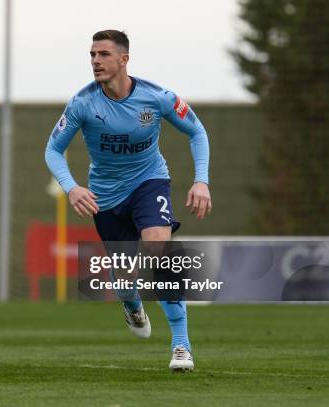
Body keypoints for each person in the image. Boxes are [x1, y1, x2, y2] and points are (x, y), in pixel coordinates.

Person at [45, 30, 211, 371]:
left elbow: (197, 131)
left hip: (150, 182)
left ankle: (181, 345)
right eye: (92, 54)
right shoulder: (82, 103)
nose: (95, 61)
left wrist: (201, 181)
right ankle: (132, 305)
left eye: (104, 54)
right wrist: (72, 187)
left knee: (160, 252)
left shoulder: (157, 97)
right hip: (105, 196)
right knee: (124, 277)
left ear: (124, 59)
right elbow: (53, 150)